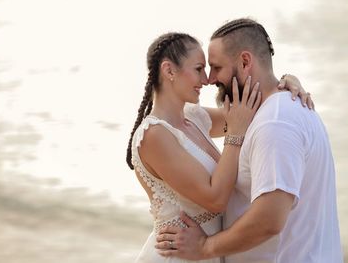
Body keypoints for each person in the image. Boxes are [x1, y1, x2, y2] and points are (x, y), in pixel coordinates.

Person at [156, 18, 343, 263]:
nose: (211, 79)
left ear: (245, 62)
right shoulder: (277, 110)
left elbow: (269, 220)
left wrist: (205, 247)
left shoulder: (274, 124)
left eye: (216, 67)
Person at [126, 32, 312, 263]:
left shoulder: (195, 117)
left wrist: (284, 82)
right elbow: (215, 199)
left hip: (206, 254)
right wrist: (234, 135)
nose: (206, 79)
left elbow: (251, 110)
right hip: (176, 256)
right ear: (169, 70)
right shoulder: (154, 135)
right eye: (198, 69)